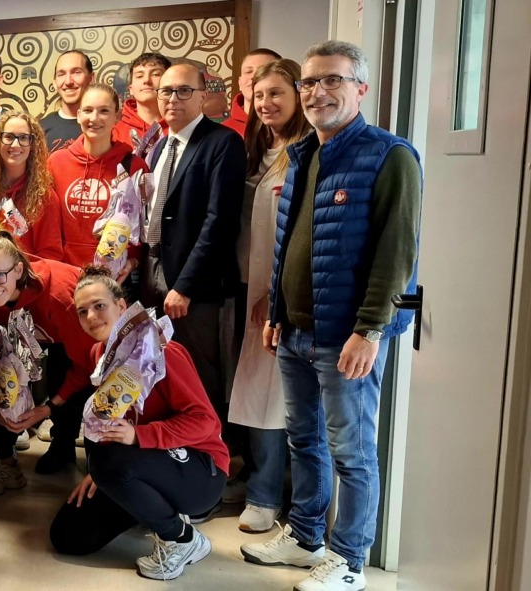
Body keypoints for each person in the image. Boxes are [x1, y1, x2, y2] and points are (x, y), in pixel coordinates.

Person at [242, 41, 421, 591]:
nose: (319, 91)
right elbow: (288, 243)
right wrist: (275, 309)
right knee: (305, 440)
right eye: (311, 82)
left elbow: (398, 255)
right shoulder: (305, 155)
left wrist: (370, 330)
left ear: (360, 89)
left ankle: (348, 560)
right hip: (295, 330)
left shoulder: (390, 156)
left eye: (334, 81)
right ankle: (305, 537)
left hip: (347, 336)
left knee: (352, 451)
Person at [49, 267, 228, 581]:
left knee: (109, 463)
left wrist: (137, 438)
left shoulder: (163, 350)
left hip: (200, 469)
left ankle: (183, 539)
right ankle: (147, 504)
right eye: (82, 311)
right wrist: (103, 473)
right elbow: (109, 417)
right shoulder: (99, 354)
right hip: (136, 459)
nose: (91, 316)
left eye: (99, 306)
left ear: (122, 306)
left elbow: (205, 422)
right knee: (68, 537)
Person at [225, 59, 310, 533]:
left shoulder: (305, 151)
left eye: (277, 93)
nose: (266, 103)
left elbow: (300, 234)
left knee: (275, 396)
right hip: (242, 285)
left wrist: (274, 293)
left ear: (298, 95)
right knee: (251, 393)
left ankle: (269, 496)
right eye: (260, 95)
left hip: (275, 295)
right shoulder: (256, 148)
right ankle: (256, 481)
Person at [140, 64, 246, 432]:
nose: (172, 99)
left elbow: (219, 223)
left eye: (184, 91)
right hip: (152, 270)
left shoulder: (223, 143)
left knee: (200, 373)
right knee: (160, 368)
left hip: (194, 287)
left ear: (204, 96)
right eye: (166, 91)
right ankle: (173, 446)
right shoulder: (159, 146)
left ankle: (212, 456)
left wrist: (184, 286)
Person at [0, 233, 99, 491]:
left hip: (66, 332)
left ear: (18, 269)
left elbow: (85, 366)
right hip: (22, 335)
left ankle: (65, 444)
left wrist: (48, 408)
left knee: (65, 379)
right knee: (5, 386)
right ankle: (4, 456)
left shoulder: (60, 299)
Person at [48, 83, 150, 267]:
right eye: (88, 110)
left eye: (104, 111)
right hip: (65, 271)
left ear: (117, 117)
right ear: (79, 115)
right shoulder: (56, 163)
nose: (94, 118)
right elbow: (46, 222)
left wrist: (133, 260)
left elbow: (143, 225)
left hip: (112, 276)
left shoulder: (135, 167)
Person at [0, 110, 63, 260]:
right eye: (9, 137)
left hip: (21, 280)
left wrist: (17, 276)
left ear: (33, 144)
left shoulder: (45, 197)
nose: (15, 144)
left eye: (23, 138)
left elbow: (50, 256)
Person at [114, 53, 171, 154]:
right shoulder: (114, 133)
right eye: (140, 76)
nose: (147, 80)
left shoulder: (181, 128)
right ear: (130, 89)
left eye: (156, 74)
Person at [41, 50, 95, 153]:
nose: (68, 81)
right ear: (55, 83)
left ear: (91, 78)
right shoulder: (40, 129)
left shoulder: (104, 126)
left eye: (76, 72)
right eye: (61, 74)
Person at [223, 48, 282, 137]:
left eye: (263, 70)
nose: (253, 77)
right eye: (248, 71)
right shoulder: (222, 131)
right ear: (239, 83)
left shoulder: (297, 128)